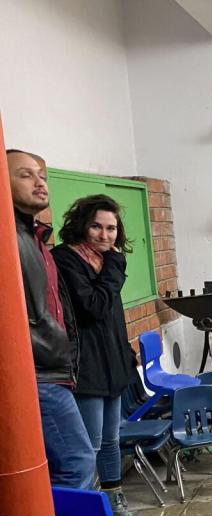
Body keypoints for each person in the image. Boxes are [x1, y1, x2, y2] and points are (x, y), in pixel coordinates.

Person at [7, 149, 96, 488]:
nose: (39, 182)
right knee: (77, 463)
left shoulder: (33, 236)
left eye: (41, 175)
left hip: (52, 367)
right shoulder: (9, 238)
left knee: (68, 463)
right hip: (36, 371)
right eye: (25, 175)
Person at [52, 195, 137, 516]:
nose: (105, 236)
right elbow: (94, 307)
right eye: (97, 227)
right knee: (89, 446)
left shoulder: (104, 262)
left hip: (112, 363)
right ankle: (86, 509)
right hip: (86, 367)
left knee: (111, 439)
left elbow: (112, 316)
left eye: (112, 228)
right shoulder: (66, 260)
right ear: (82, 226)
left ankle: (114, 500)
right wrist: (115, 267)